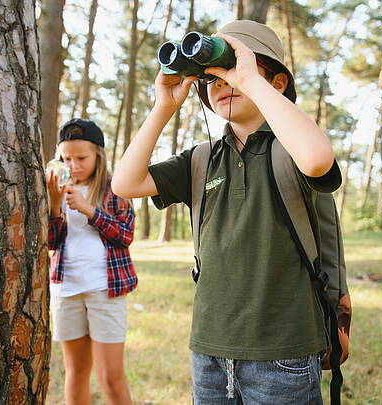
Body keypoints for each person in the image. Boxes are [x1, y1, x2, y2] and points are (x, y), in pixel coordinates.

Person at [112, 20, 341, 405]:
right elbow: (125, 184)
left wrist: (250, 80)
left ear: (277, 84)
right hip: (209, 349)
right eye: (213, 80)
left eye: (234, 72)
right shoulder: (202, 159)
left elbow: (318, 160)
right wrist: (162, 107)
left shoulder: (292, 149)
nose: (222, 84)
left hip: (282, 351)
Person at [47, 118, 136, 405]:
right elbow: (51, 243)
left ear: (99, 154)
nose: (73, 165)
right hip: (67, 289)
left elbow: (125, 236)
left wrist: (89, 210)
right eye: (67, 158)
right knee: (75, 372)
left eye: (81, 158)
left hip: (104, 290)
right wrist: (53, 205)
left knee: (110, 375)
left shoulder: (117, 188)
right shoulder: (57, 188)